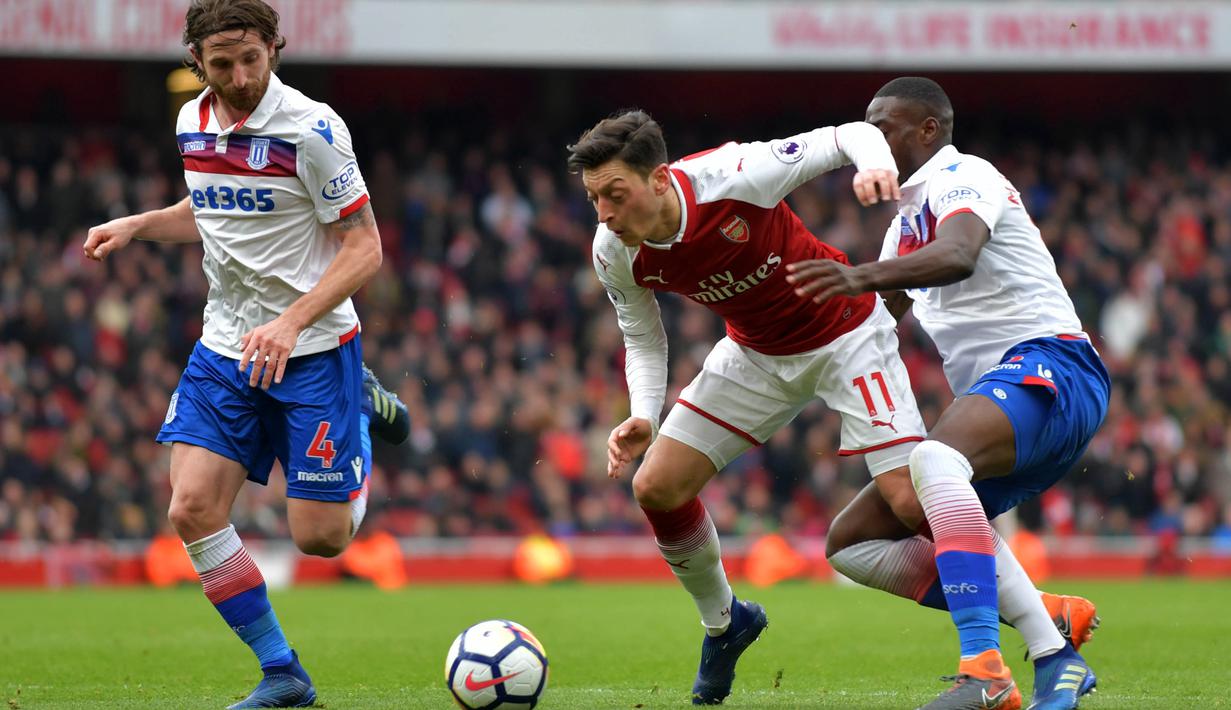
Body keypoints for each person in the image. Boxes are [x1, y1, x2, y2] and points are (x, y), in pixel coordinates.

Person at [82, 1, 404, 706]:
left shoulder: (311, 128)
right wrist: (139, 224)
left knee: (320, 538)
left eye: (250, 59)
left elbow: (364, 246)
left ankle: (360, 414)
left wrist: (290, 322)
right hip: (225, 348)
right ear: (197, 63)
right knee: (191, 508)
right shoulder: (190, 122)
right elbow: (214, 206)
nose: (238, 75)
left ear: (274, 50)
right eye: (221, 63)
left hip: (313, 347)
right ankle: (282, 672)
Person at [568, 109, 926, 705]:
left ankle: (1031, 613)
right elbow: (643, 336)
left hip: (844, 333)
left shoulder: (734, 174)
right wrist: (644, 415)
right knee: (656, 486)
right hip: (756, 354)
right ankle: (726, 623)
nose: (603, 213)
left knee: (911, 505)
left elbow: (847, 136)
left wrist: (876, 167)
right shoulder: (614, 250)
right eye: (593, 198)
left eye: (614, 194)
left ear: (659, 179)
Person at [787, 77, 1109, 710]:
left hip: (1053, 366)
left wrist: (857, 275)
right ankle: (1049, 642)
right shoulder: (904, 223)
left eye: (885, 127)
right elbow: (873, 320)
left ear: (928, 130)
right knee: (853, 545)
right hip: (1006, 401)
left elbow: (959, 254)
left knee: (933, 459)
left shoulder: (965, 176)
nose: (871, 140)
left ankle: (985, 669)